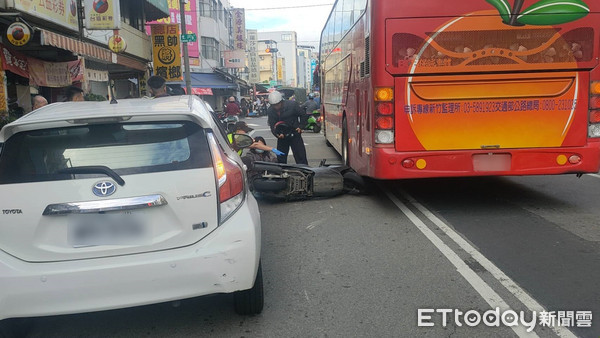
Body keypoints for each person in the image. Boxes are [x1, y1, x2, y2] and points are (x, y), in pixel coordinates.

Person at [266, 91, 308, 165]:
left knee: (300, 156)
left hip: (294, 133)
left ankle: (304, 171)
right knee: (281, 157)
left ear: (281, 101)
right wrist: (277, 134)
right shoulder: (270, 110)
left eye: (277, 104)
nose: (276, 107)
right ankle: (282, 172)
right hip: (282, 136)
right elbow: (272, 125)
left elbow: (303, 115)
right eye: (273, 105)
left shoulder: (292, 105)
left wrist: (301, 127)